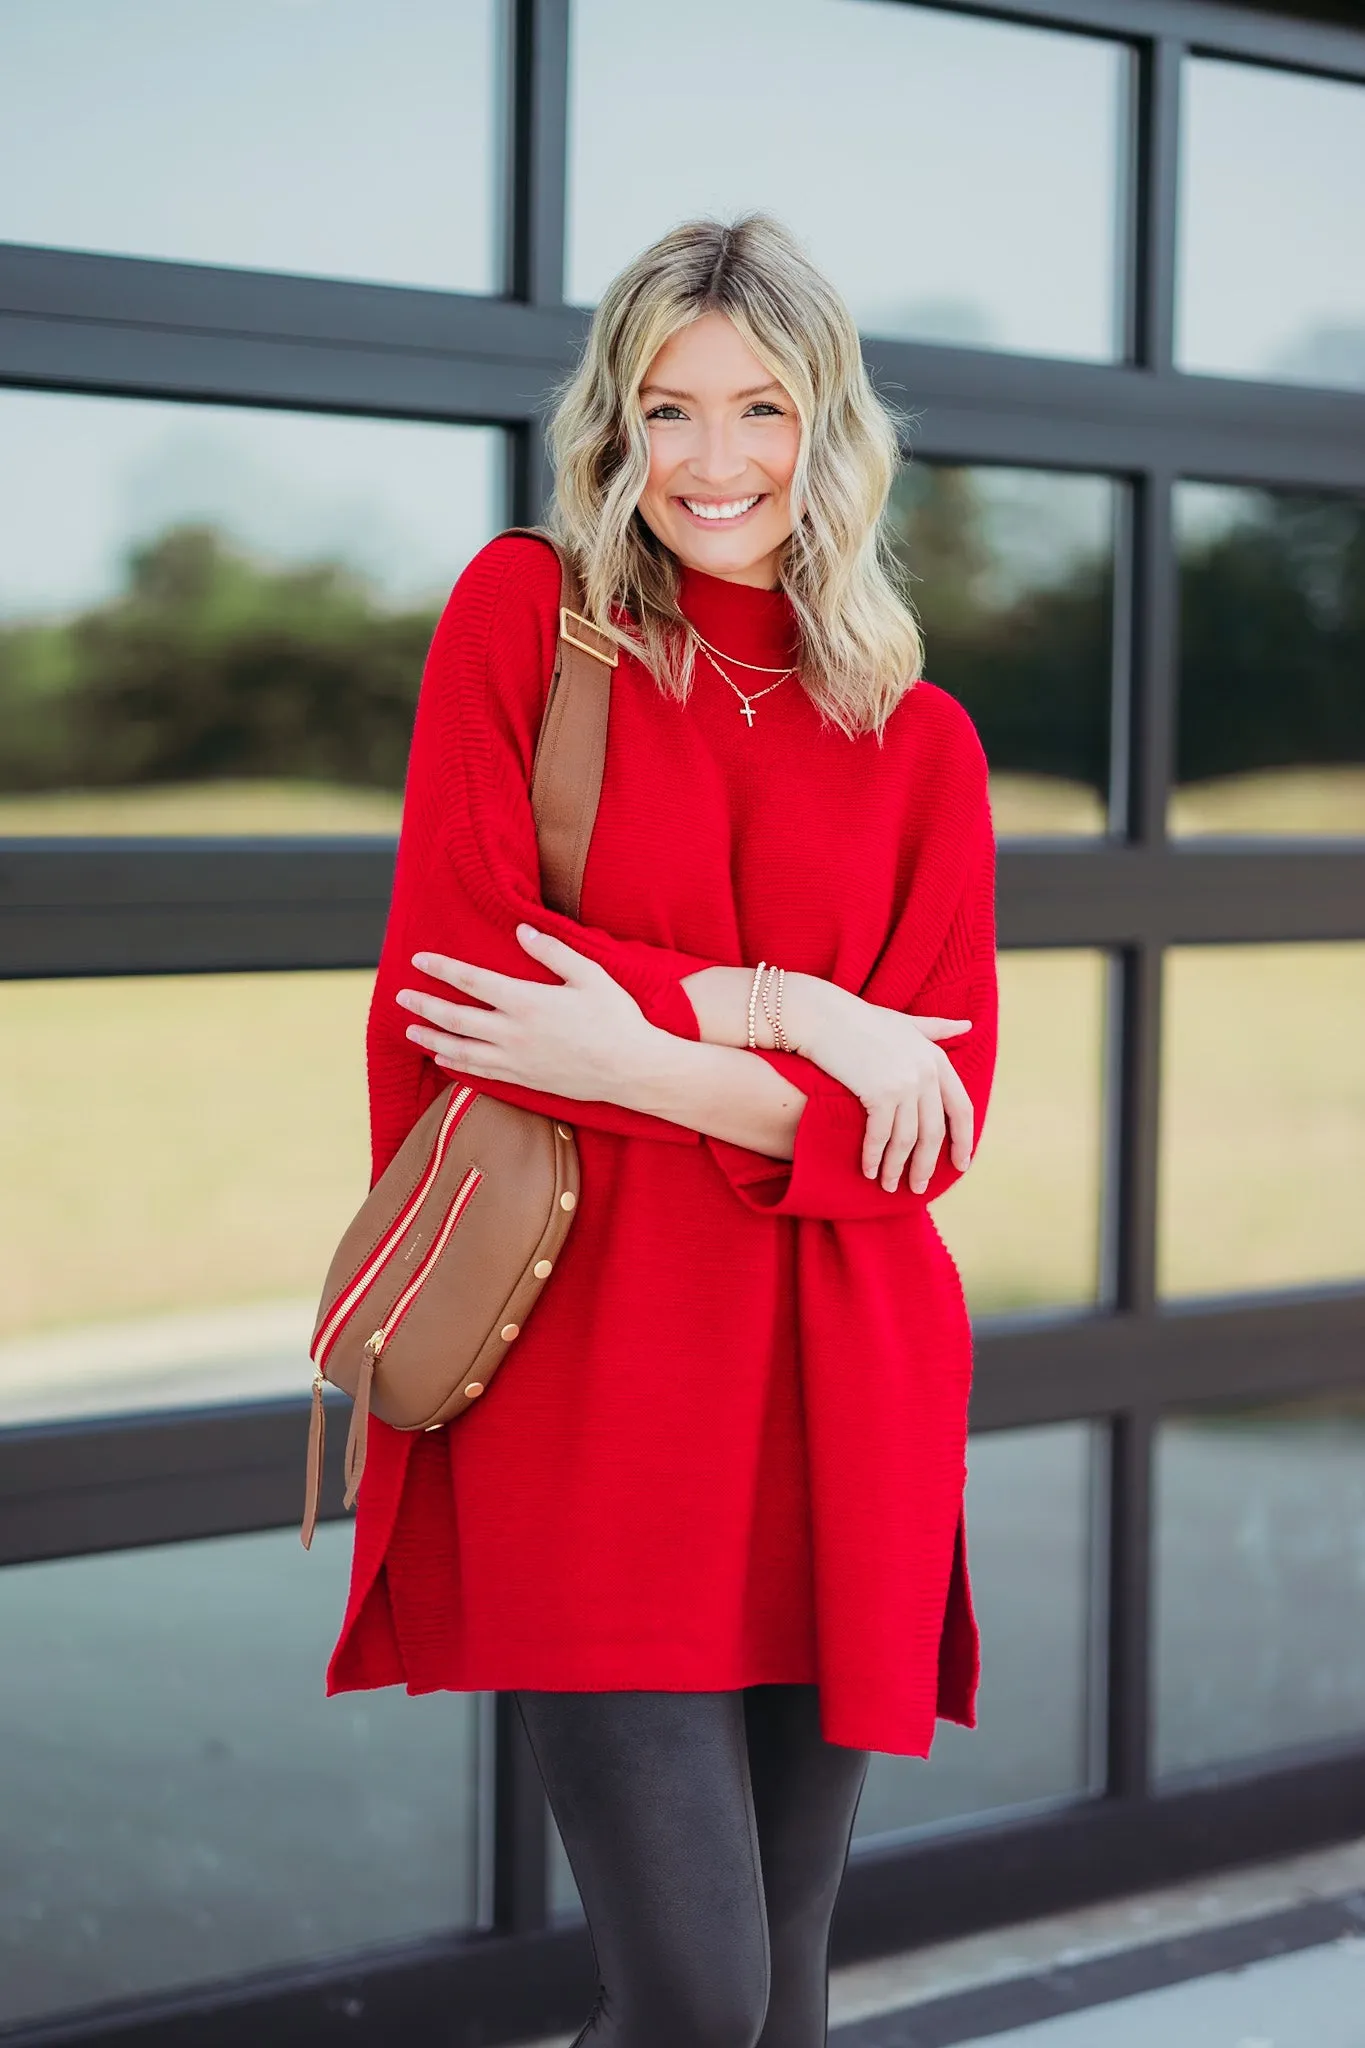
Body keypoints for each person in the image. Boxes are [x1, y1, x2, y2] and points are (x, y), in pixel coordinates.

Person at [325, 213, 998, 2048]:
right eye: (667, 408)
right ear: (611, 428)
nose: (714, 462)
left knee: (780, 2000)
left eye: (761, 408)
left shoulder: (921, 740)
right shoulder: (529, 621)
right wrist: (811, 1025)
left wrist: (651, 1050)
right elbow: (465, 978)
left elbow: (934, 1136)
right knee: (698, 2003)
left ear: (828, 425)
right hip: (592, 1390)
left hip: (845, 1396)